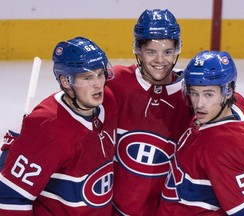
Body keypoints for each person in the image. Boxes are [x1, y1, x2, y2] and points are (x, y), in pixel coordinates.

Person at [0, 36, 118, 215]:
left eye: (100, 74)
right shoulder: (48, 127)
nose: (97, 84)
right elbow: (10, 197)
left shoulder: (107, 101)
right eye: (87, 77)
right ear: (65, 81)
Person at [157, 50, 244, 215]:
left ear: (228, 91)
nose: (199, 104)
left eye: (208, 94)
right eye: (194, 93)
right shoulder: (233, 105)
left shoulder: (225, 147)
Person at [106, 9, 192, 216]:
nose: (160, 60)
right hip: (117, 209)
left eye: (168, 52)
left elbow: (229, 110)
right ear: (138, 51)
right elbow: (74, 100)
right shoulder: (114, 81)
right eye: (151, 51)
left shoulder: (193, 93)